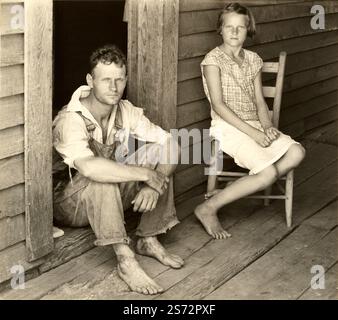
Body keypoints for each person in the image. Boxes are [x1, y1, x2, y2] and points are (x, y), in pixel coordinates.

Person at [52, 44, 183, 295]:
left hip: (107, 199)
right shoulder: (71, 118)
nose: (114, 87)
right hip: (69, 204)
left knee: (159, 152)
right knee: (101, 175)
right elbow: (90, 167)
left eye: (119, 80)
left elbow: (171, 143)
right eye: (106, 80)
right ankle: (125, 259)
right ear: (90, 80)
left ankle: (148, 238)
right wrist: (147, 175)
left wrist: (156, 183)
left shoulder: (125, 110)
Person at [195, 2, 306, 240]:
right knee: (266, 175)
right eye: (229, 27)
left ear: (248, 30)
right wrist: (255, 135)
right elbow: (219, 105)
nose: (234, 32)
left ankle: (239, 186)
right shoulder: (212, 60)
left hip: (255, 124)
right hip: (227, 127)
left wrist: (266, 127)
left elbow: (258, 101)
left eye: (240, 27)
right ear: (220, 29)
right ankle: (209, 207)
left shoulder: (253, 59)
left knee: (297, 152)